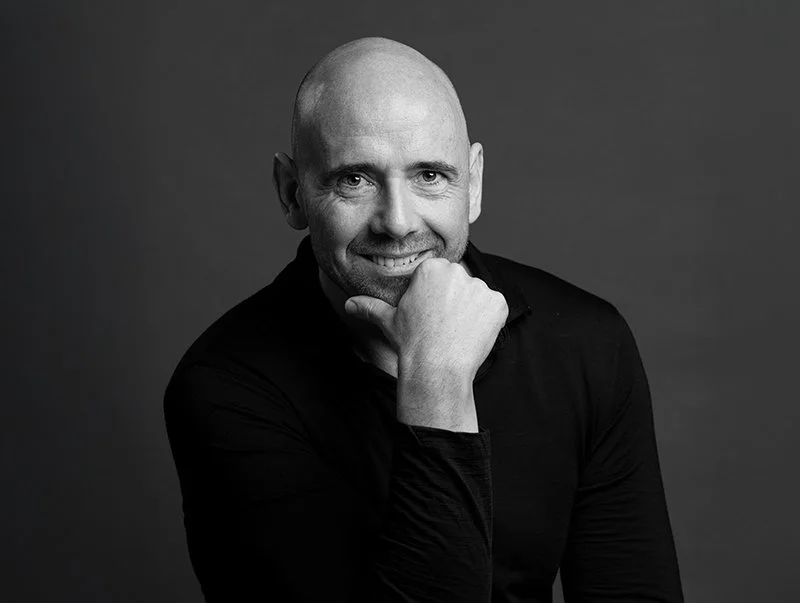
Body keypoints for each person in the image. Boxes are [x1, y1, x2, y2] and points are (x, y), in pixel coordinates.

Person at [164, 37, 684, 602]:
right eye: (355, 179)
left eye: (430, 175)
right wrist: (437, 380)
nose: (397, 221)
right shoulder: (226, 387)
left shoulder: (586, 342)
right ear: (293, 193)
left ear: (474, 183)